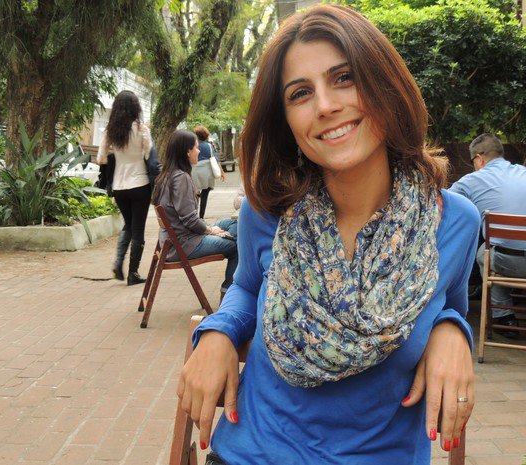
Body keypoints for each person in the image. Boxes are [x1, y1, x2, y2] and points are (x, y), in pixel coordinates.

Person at [177, 5, 481, 464]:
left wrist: (454, 331)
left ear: (385, 85)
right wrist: (219, 331)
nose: (324, 106)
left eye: (344, 78)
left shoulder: (454, 222)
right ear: (286, 121)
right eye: (300, 93)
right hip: (250, 452)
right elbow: (248, 287)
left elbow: (448, 304)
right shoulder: (270, 210)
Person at [450, 133, 526, 341]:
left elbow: (443, 206)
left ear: (479, 159)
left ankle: (504, 317)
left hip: (510, 264)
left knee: (484, 252)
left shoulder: (470, 181)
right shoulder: (525, 173)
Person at [152, 130, 238, 297]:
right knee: (237, 246)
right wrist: (210, 231)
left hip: (174, 240)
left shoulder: (166, 175)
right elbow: (190, 220)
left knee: (232, 224)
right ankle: (229, 291)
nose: (199, 151)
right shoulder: (181, 178)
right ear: (187, 151)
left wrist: (213, 231)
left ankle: (227, 236)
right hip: (183, 244)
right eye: (196, 148)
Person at [97, 90, 152, 285]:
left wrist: (116, 157)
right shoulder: (141, 129)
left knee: (128, 224)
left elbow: (100, 158)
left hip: (119, 187)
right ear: (135, 107)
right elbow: (149, 154)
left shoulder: (110, 131)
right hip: (140, 184)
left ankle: (118, 261)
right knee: (138, 229)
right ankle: (133, 273)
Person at [192, 126, 225, 219]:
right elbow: (216, 160)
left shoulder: (193, 146)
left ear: (197, 136)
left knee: (194, 195)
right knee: (205, 195)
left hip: (195, 173)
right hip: (207, 174)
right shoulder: (209, 146)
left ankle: (193, 217)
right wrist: (222, 172)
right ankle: (201, 217)